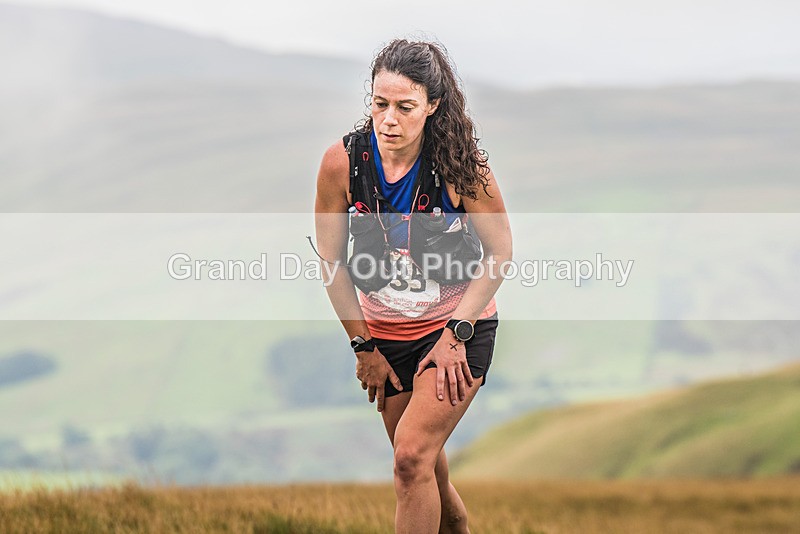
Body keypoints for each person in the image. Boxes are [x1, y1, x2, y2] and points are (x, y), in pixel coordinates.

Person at [314, 38, 512, 534]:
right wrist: (363, 347)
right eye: (380, 105)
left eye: (405, 107)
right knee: (427, 471)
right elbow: (332, 264)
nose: (389, 120)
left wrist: (455, 336)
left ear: (432, 105)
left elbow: (500, 254)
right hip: (384, 341)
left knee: (409, 459)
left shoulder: (463, 169)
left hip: (456, 332)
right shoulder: (342, 164)